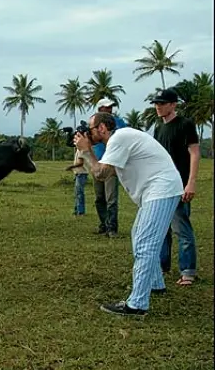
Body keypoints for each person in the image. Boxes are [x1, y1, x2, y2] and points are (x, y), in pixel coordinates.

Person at [74, 112, 183, 317]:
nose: (88, 133)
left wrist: (85, 150)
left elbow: (100, 173)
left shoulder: (119, 138)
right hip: (158, 190)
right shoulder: (119, 140)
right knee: (139, 236)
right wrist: (86, 151)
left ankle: (137, 305)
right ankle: (155, 283)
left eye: (90, 129)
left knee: (145, 244)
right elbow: (104, 171)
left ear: (102, 128)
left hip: (161, 190)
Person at [151, 88, 201, 287]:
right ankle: (162, 266)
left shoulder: (185, 124)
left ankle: (188, 271)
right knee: (162, 229)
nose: (158, 107)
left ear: (173, 105)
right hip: (161, 185)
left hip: (180, 185)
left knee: (182, 229)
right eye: (156, 103)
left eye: (162, 103)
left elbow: (194, 153)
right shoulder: (158, 129)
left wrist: (191, 182)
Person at [91, 98, 128, 238]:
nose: (109, 110)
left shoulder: (118, 122)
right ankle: (103, 225)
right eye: (106, 107)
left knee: (111, 198)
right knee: (99, 197)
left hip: (111, 164)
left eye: (111, 107)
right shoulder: (93, 123)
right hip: (98, 163)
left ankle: (112, 228)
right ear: (100, 109)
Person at [65, 148, 91, 215]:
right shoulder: (78, 150)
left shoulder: (81, 150)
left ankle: (81, 211)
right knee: (77, 193)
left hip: (81, 173)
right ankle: (77, 210)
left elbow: (80, 163)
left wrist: (71, 167)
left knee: (79, 193)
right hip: (79, 173)